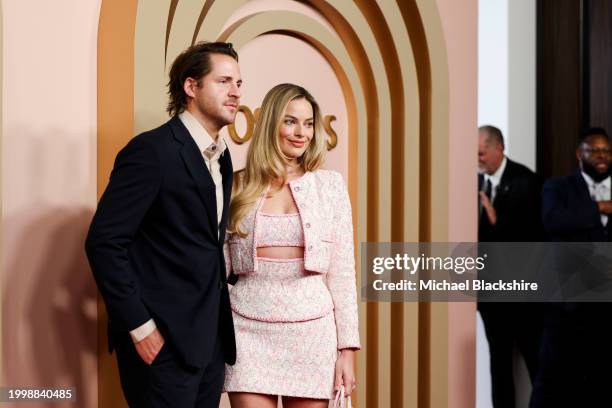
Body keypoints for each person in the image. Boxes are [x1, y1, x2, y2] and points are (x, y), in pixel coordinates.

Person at [85, 42, 242, 407]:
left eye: (239, 82)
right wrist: (140, 327)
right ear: (191, 87)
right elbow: (104, 242)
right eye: (223, 81)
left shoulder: (222, 157)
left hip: (208, 346)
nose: (236, 91)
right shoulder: (152, 151)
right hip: (162, 347)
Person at [222, 83, 360, 408]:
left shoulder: (330, 187)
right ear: (271, 123)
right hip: (246, 330)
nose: (302, 133)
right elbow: (216, 266)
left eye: (309, 123)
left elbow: (343, 274)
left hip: (313, 334)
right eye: (290, 121)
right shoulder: (237, 185)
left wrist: (347, 351)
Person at [531, 128, 612, 407]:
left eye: (606, 151)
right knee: (553, 378)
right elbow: (553, 220)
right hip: (568, 304)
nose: (601, 156)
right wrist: (600, 207)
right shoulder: (558, 187)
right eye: (594, 150)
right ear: (580, 154)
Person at [477, 125, 543, 408]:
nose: (477, 159)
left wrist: (495, 219)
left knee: (536, 361)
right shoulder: (475, 182)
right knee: (499, 364)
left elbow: (532, 236)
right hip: (491, 296)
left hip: (524, 294)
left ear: (498, 149)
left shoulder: (526, 181)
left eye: (481, 152)